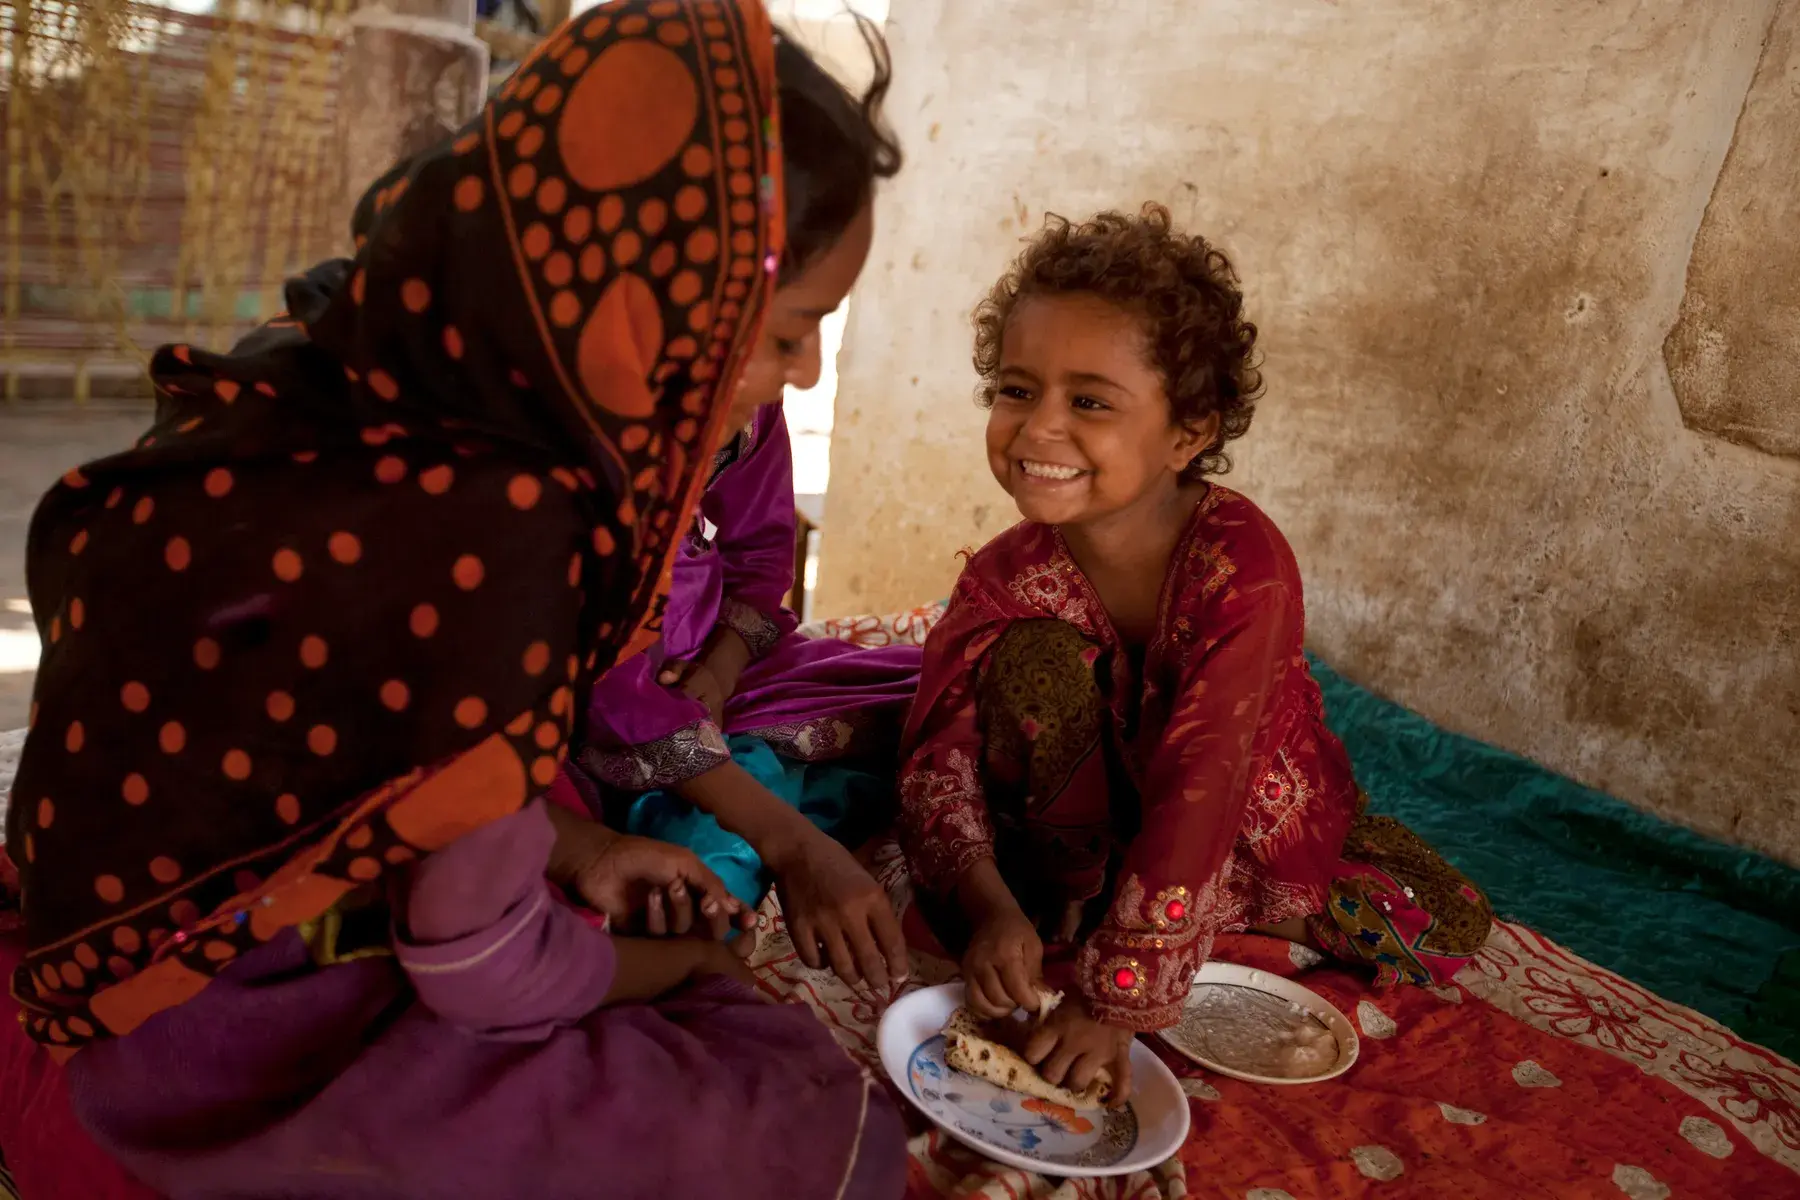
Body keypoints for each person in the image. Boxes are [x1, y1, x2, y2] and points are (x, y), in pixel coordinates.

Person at [1, 4, 907, 1196]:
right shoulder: (508, 550)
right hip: (231, 1028)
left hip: (119, 926)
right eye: (792, 333)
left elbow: (365, 754)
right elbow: (483, 974)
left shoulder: (321, 376)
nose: (803, 375)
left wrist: (576, 849)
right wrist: (664, 970)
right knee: (785, 1105)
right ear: (658, 299)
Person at [896, 204, 1494, 1108]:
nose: (1037, 429)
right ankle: (1089, 911)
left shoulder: (1244, 567)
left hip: (1232, 817)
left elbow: (1206, 778)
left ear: (1190, 432)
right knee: (1033, 660)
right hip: (1069, 850)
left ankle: (1214, 908)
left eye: (1089, 401)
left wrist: (1116, 1001)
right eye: (1017, 390)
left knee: (1451, 923)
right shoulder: (1005, 579)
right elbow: (936, 757)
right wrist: (990, 910)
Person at [560, 29, 921, 993]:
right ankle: (688, 930)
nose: (806, 372)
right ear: (677, 291)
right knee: (724, 825)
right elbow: (618, 699)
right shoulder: (559, 482)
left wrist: (719, 668)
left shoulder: (742, 418)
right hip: (593, 737)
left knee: (931, 706)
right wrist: (796, 849)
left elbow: (764, 561)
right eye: (793, 332)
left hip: (714, 690)